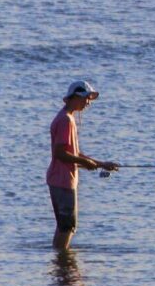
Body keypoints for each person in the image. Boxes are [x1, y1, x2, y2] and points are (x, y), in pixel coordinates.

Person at [47, 80, 119, 244]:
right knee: (67, 227)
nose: (88, 103)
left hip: (62, 180)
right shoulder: (65, 120)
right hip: (62, 180)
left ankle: (61, 262)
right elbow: (60, 153)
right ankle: (62, 264)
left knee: (65, 226)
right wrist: (86, 163)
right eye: (86, 98)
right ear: (75, 97)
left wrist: (100, 164)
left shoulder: (67, 118)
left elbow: (74, 153)